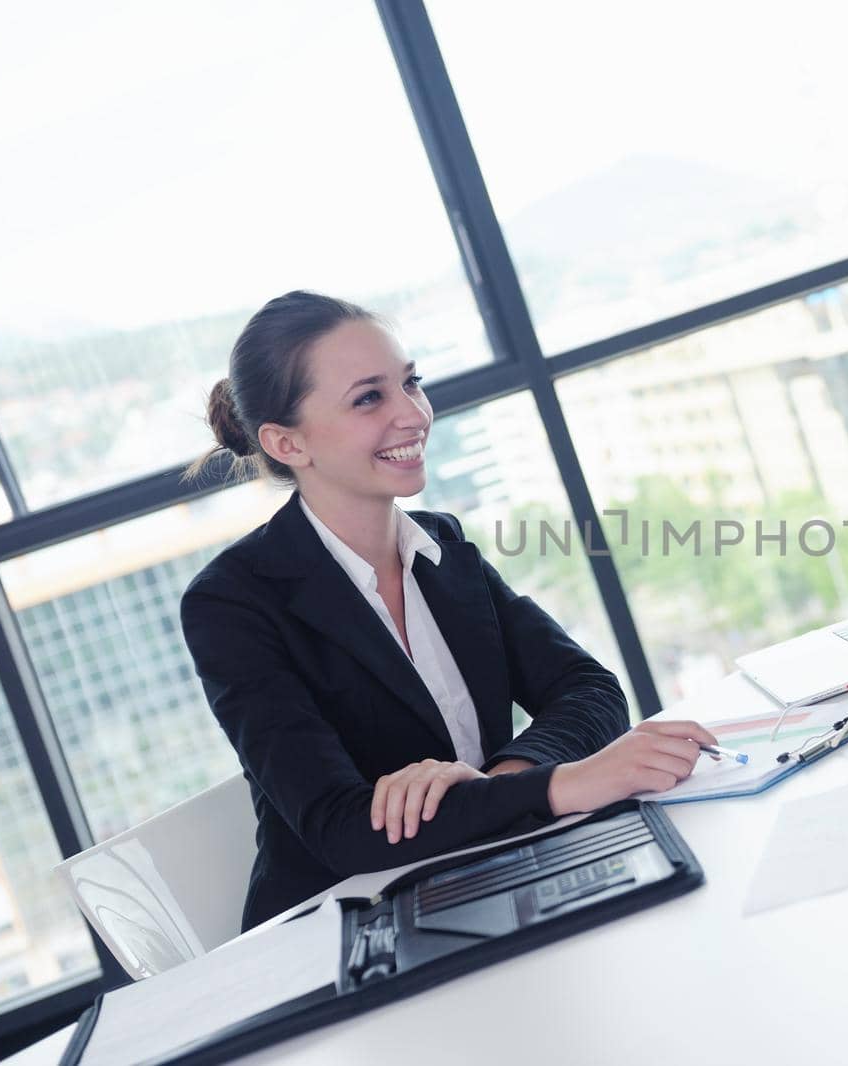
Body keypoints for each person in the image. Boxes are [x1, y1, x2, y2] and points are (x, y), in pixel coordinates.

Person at [181, 291, 717, 929]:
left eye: (412, 383)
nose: (413, 415)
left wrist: (505, 779)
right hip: (345, 929)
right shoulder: (234, 603)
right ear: (287, 443)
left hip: (492, 874)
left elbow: (588, 688)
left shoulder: (442, 547)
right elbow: (344, 830)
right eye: (369, 398)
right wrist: (562, 784)